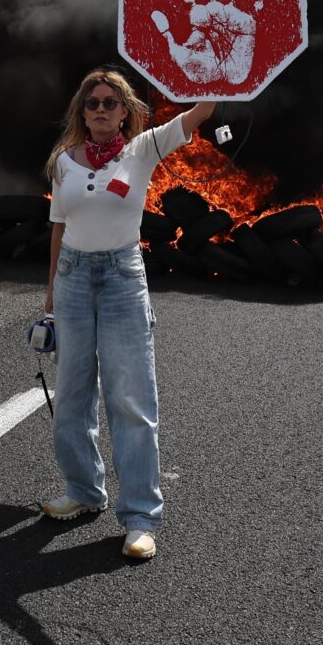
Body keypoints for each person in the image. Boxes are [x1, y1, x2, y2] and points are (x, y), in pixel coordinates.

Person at [42, 67, 216, 561]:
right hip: (74, 278)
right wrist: (51, 292)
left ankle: (140, 517)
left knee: (131, 400)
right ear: (82, 111)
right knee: (72, 394)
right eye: (91, 103)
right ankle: (83, 490)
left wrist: (219, 76)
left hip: (121, 278)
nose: (99, 109)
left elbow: (201, 113)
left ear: (125, 111)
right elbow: (58, 227)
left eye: (109, 102)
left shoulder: (143, 150)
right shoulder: (62, 162)